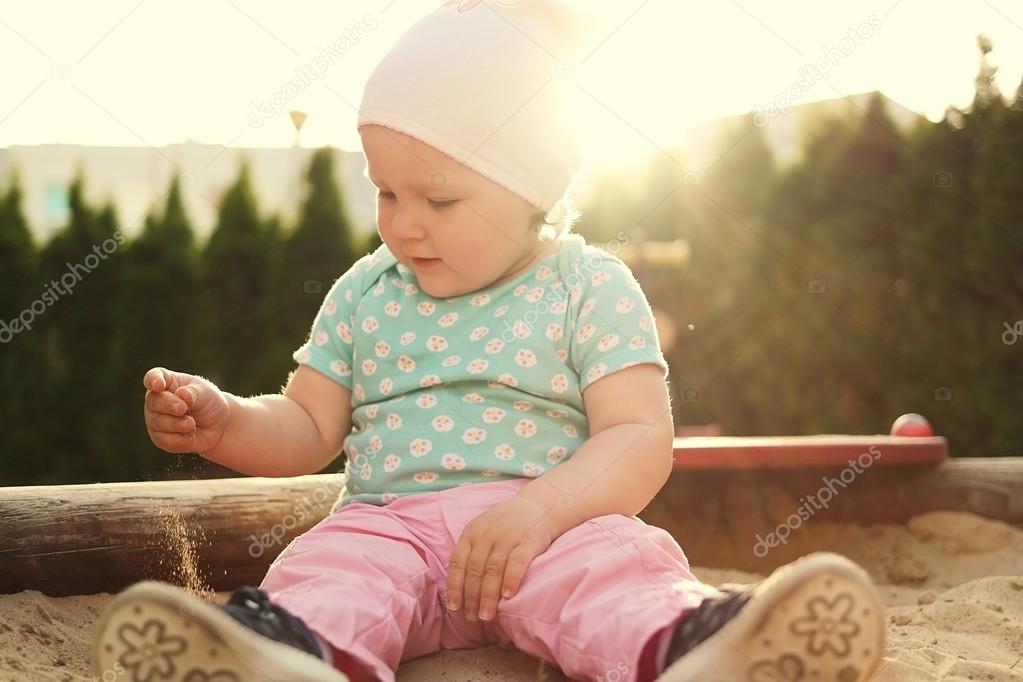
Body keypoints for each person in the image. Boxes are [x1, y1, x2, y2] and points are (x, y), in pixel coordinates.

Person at [92, 1, 886, 680]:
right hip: (389, 524)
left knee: (618, 569)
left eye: (438, 198)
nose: (404, 222)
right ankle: (286, 655)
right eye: (386, 191)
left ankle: (696, 648)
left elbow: (639, 435)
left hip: (544, 527)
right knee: (329, 569)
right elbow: (307, 426)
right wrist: (227, 421)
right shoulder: (366, 292)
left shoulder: (587, 286)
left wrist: (540, 513)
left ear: (530, 187)